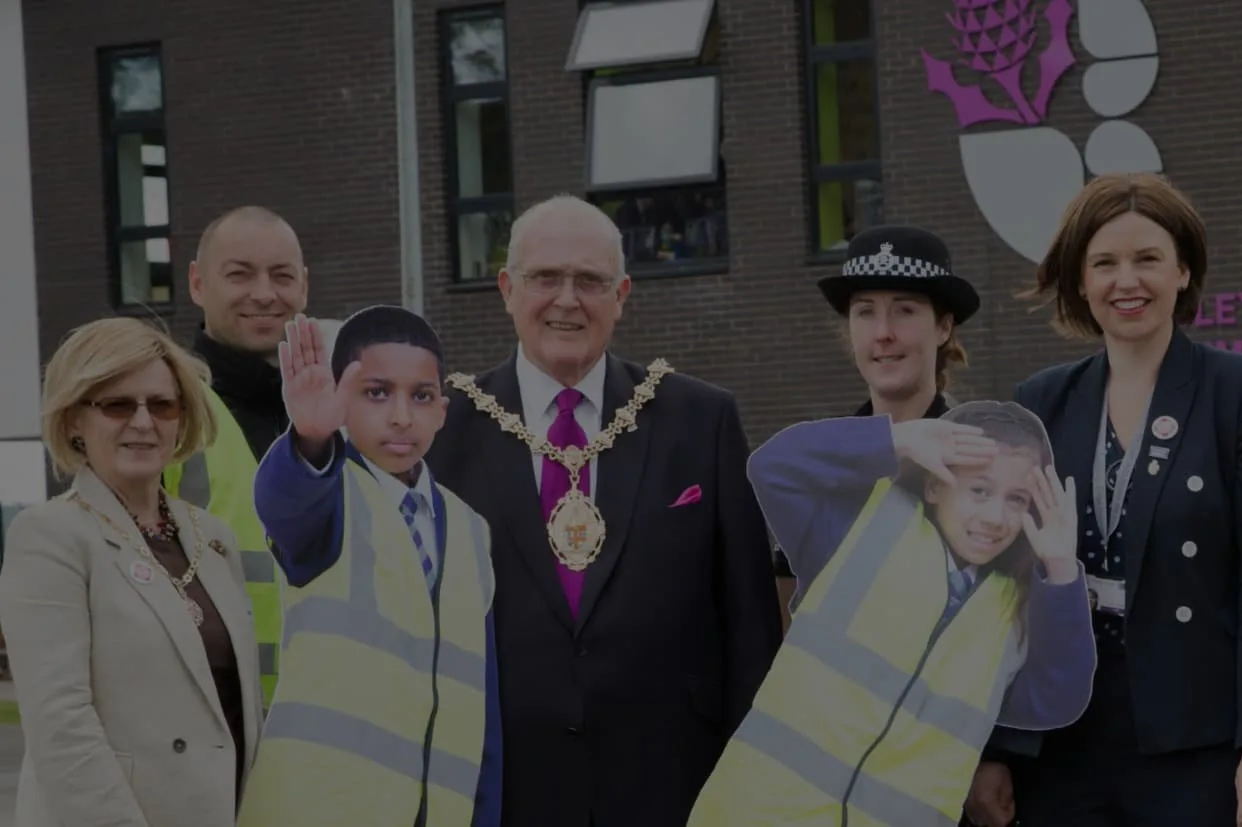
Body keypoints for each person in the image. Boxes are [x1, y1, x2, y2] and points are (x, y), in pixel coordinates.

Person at [424, 194, 782, 826]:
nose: (567, 300)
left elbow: (749, 627)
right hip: (501, 794)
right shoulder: (443, 432)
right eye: (545, 278)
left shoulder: (699, 421)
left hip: (673, 789)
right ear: (507, 289)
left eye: (590, 281)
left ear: (621, 296)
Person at [1008, 172, 1242, 827]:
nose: (1127, 281)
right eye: (1104, 263)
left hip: (1199, 742)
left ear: (1182, 270)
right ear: (1080, 280)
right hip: (1063, 745)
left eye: (1147, 258)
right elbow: (1008, 586)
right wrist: (1000, 749)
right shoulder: (1040, 402)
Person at [692, 401, 1098, 826]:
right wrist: (895, 439)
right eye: (979, 490)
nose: (996, 517)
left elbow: (1057, 701)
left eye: (1017, 499)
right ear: (935, 486)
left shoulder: (1014, 611)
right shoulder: (855, 533)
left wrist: (1061, 571)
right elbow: (773, 467)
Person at [239, 309, 501, 826]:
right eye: (377, 393)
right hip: (321, 811)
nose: (401, 416)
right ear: (341, 399)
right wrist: (310, 438)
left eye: (421, 396)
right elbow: (284, 502)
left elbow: (481, 698)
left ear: (442, 411)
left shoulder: (472, 529)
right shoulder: (327, 496)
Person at [0, 317, 264, 827]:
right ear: (74, 420)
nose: (144, 422)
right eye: (118, 405)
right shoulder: (50, 536)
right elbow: (61, 728)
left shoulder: (214, 540)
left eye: (162, 405)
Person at [772, 225, 980, 631]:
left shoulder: (984, 461)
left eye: (905, 310)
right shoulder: (818, 469)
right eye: (865, 311)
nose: (883, 333)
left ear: (943, 327)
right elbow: (785, 616)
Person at [161, 205, 306, 703]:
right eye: (240, 274)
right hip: (210, 716)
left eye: (281, 276)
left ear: (304, 286)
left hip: (324, 721)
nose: (264, 293)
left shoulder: (341, 415)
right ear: (197, 284)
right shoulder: (161, 411)